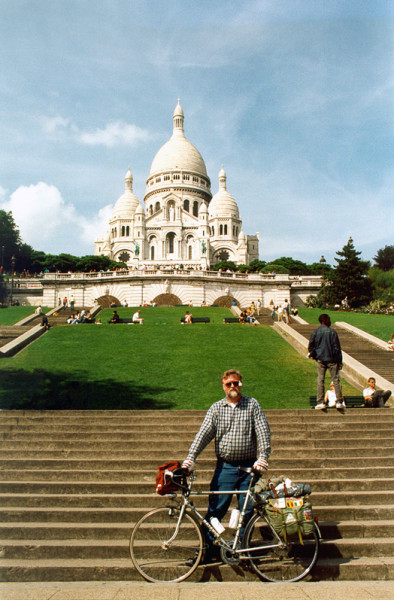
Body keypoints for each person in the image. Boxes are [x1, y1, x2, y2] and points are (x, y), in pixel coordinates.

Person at [182, 369, 271, 564]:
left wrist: (263, 456)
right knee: (216, 508)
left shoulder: (252, 405)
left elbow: (263, 431)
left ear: (241, 384)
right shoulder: (216, 408)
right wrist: (191, 458)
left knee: (246, 510)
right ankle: (206, 550)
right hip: (226, 467)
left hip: (248, 467)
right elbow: (203, 435)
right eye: (229, 383)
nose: (233, 386)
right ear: (223, 386)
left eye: (236, 383)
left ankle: (242, 548)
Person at [308, 314, 345, 413]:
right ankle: (339, 401)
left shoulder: (315, 332)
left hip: (321, 359)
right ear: (327, 321)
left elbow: (311, 346)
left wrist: (314, 355)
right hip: (332, 359)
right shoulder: (332, 332)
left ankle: (320, 402)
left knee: (320, 380)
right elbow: (337, 348)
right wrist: (339, 361)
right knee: (336, 380)